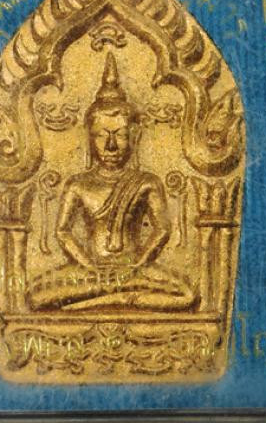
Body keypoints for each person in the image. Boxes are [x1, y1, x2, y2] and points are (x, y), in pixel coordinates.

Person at [28, 52, 194, 311]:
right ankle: (116, 295)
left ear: (134, 137)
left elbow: (162, 229)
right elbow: (63, 231)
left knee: (186, 295)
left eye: (120, 135)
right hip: (89, 272)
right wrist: (90, 267)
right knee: (36, 296)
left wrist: (137, 265)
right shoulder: (78, 184)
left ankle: (110, 298)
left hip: (134, 270)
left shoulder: (146, 182)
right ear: (89, 138)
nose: (111, 146)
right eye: (102, 136)